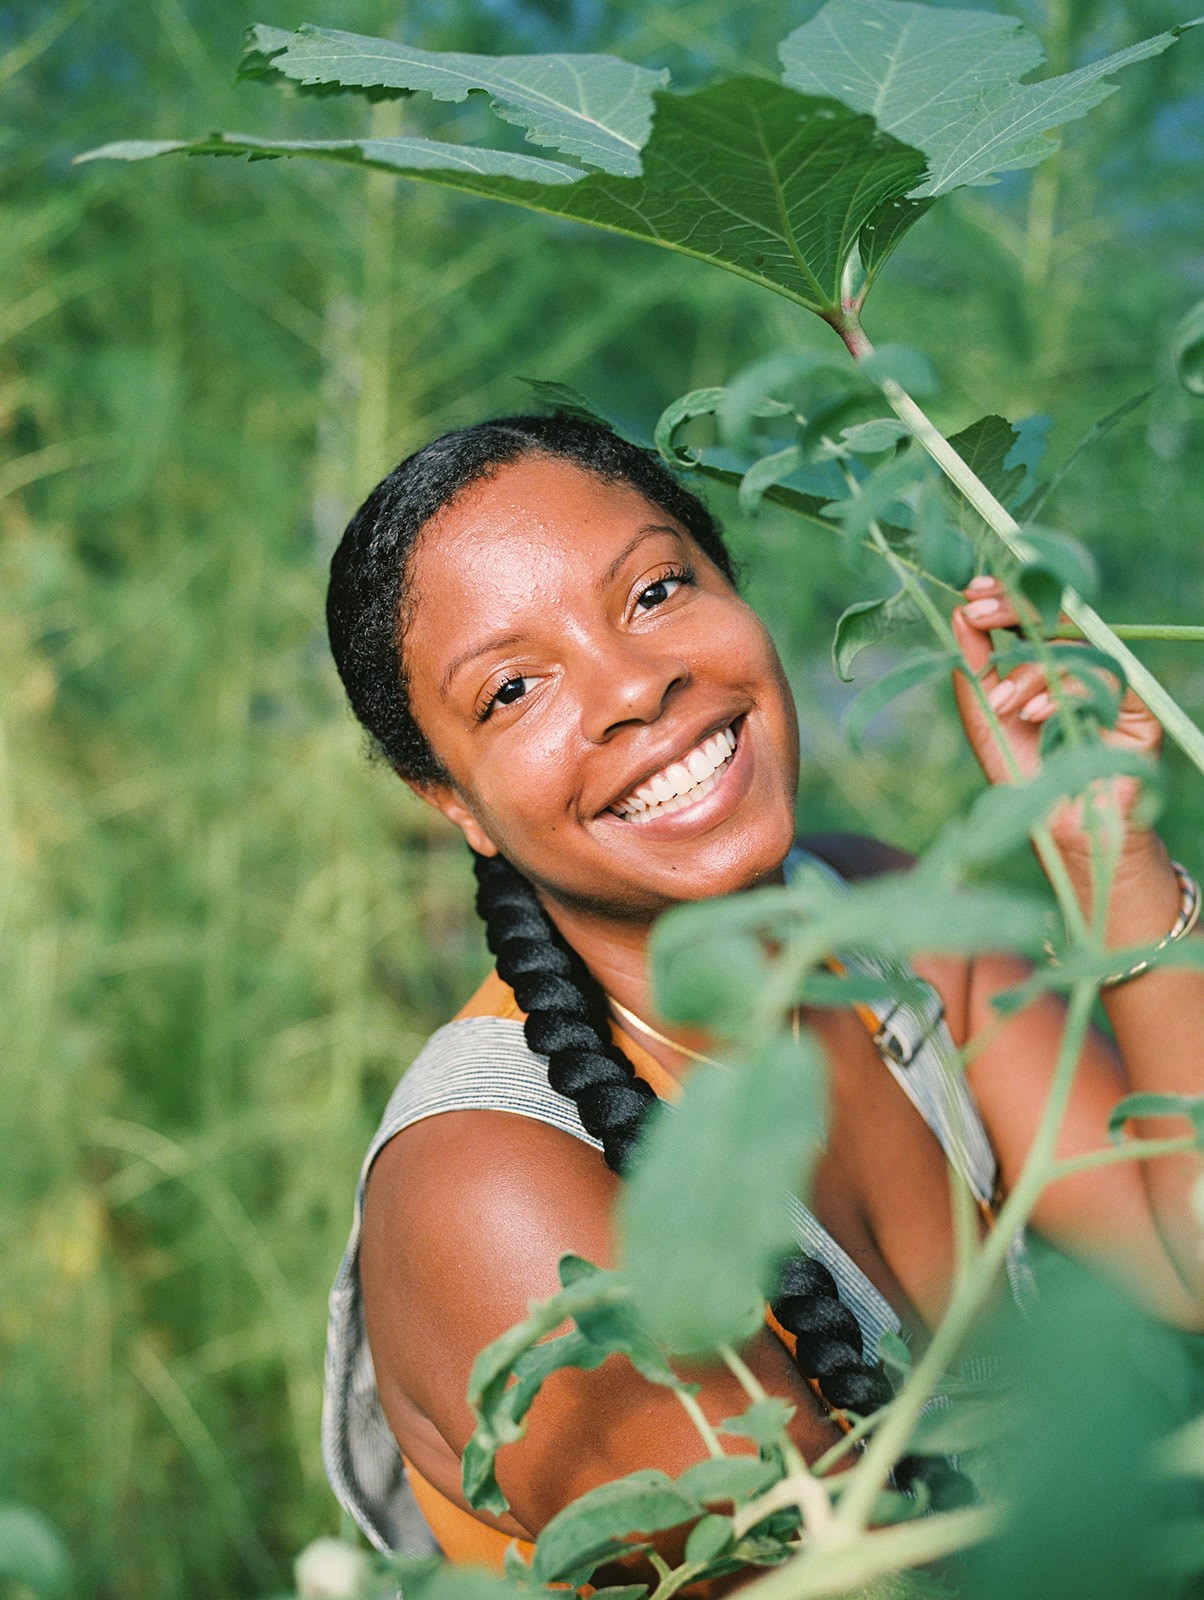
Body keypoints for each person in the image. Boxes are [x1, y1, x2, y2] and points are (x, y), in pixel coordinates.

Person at [320, 414, 1203, 1570]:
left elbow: (1187, 1255)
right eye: (516, 687)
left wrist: (1107, 860)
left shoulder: (886, 922)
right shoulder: (485, 1188)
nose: (634, 686)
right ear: (455, 803)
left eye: (652, 591)